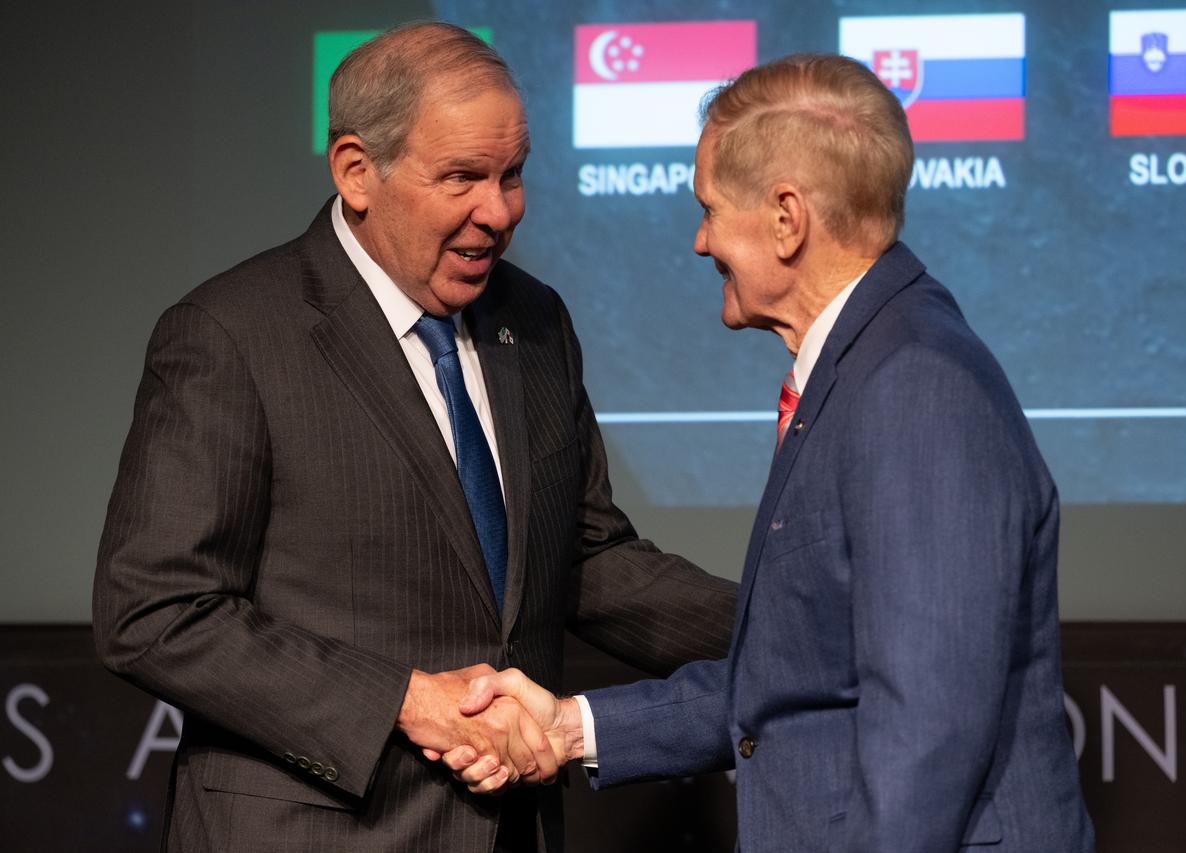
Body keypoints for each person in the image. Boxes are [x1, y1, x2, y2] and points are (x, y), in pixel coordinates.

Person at [91, 22, 736, 853]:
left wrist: (793, 623)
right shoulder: (233, 334)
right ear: (357, 172)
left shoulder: (534, 321)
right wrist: (402, 698)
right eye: (463, 177)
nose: (498, 212)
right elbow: (153, 610)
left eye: (513, 176)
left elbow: (583, 560)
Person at [448, 54, 1096, 852]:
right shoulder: (865, 366)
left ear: (787, 217)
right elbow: (804, 675)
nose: (699, 240)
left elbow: (928, 725)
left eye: (710, 208)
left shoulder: (915, 384)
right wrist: (572, 726)